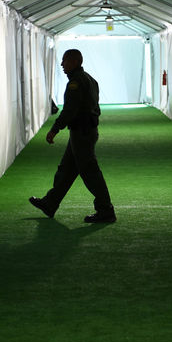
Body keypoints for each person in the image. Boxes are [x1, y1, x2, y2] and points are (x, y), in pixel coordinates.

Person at [29, 49, 116, 224]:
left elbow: (70, 110)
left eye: (65, 61)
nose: (62, 64)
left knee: (90, 173)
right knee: (67, 169)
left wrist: (54, 129)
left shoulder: (76, 83)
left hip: (81, 133)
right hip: (84, 132)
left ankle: (106, 210)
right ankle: (50, 203)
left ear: (75, 62)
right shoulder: (90, 79)